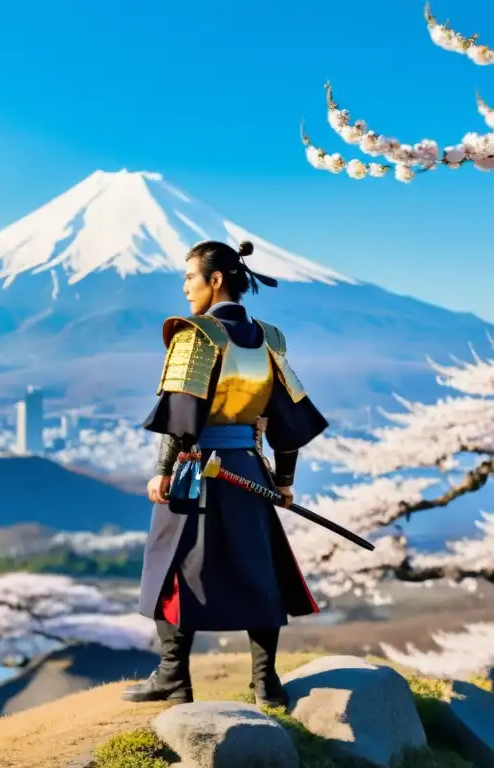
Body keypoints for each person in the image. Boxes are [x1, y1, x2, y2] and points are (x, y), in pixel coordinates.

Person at [121, 239, 329, 709]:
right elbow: (288, 419)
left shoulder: (196, 335)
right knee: (259, 568)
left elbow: (180, 413)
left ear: (216, 280)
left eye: (189, 277)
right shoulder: (270, 339)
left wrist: (162, 472)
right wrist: (283, 481)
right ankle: (266, 683)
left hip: (196, 471)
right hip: (249, 471)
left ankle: (174, 676)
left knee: (172, 565)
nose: (185, 286)